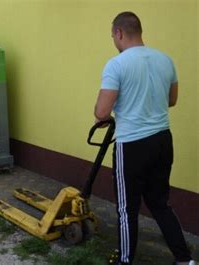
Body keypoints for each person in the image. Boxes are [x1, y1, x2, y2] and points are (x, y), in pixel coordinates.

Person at [94, 11, 195, 265]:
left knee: (127, 209)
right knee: (160, 203)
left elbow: (102, 112)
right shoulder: (165, 60)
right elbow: (171, 100)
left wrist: (105, 112)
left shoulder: (116, 64)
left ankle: (125, 261)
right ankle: (185, 260)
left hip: (132, 145)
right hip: (162, 139)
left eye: (112, 36)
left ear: (118, 33)